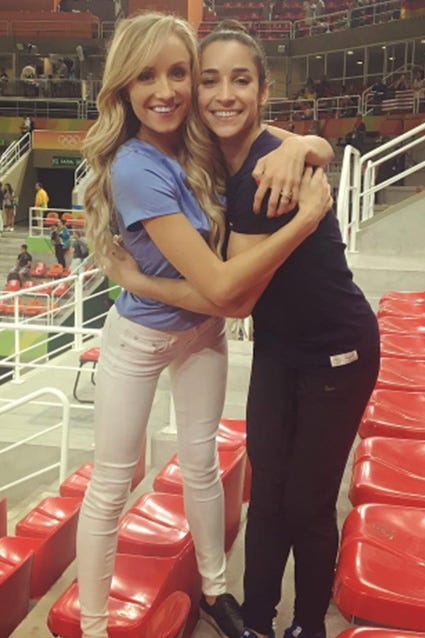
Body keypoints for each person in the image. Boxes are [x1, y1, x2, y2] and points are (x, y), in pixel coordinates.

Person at [104, 22, 380, 638]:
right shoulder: (207, 154)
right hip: (279, 348)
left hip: (338, 349)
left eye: (241, 80)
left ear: (263, 90)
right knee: (268, 494)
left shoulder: (267, 171)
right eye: (210, 80)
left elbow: (230, 295)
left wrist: (137, 281)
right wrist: (307, 142)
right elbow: (313, 144)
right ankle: (257, 619)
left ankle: (308, 626)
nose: (224, 95)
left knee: (307, 503)